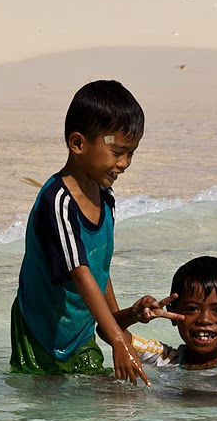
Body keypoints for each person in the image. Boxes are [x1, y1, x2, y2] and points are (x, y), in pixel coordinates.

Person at [10, 79, 175, 384]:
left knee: (106, 398)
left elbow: (100, 271)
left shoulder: (106, 198)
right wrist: (117, 341)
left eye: (131, 153)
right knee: (44, 406)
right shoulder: (58, 202)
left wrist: (120, 326)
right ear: (78, 144)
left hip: (81, 329)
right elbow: (81, 273)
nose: (124, 163)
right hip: (40, 333)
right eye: (117, 152)